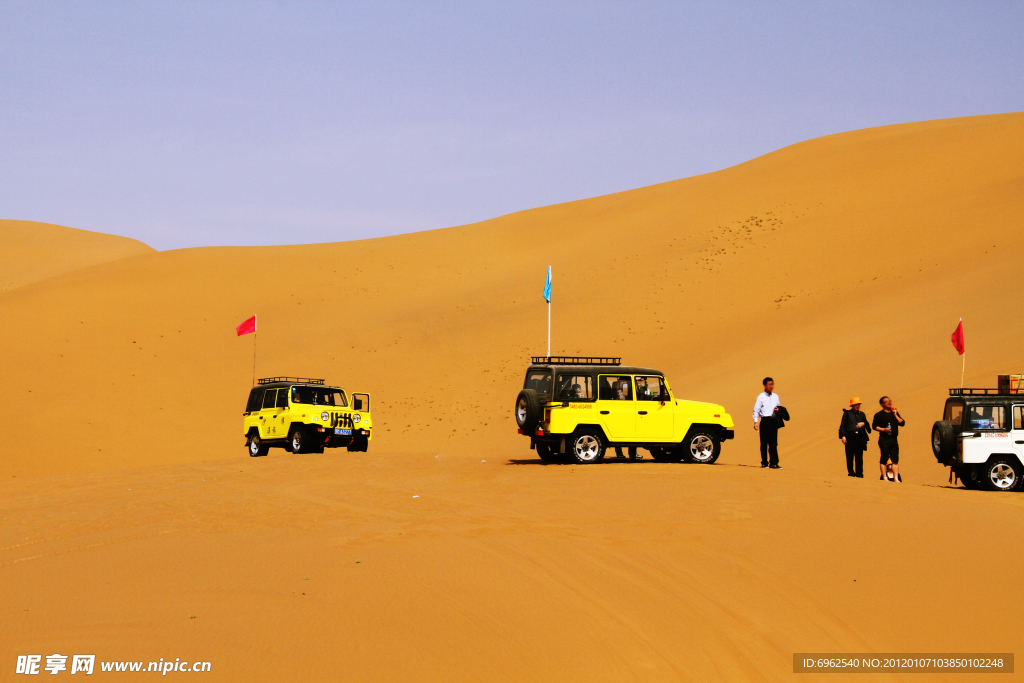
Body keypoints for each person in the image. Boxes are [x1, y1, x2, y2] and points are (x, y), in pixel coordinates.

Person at [872, 396, 905, 482]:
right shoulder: (879, 415)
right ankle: (884, 477)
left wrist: (895, 415)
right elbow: (874, 427)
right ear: (882, 404)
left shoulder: (894, 413)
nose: (889, 402)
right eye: (887, 401)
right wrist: (884, 429)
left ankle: (896, 478)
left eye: (890, 401)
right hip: (884, 439)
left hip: (894, 439)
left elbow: (902, 423)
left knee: (895, 459)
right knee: (884, 458)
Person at [753, 377, 782, 469]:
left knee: (773, 443)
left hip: (773, 421)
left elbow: (779, 407)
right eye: (769, 384)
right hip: (765, 421)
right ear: (764, 385)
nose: (771, 386)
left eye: (772, 384)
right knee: (764, 443)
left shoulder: (775, 396)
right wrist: (756, 422)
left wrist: (778, 410)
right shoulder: (761, 397)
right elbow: (756, 410)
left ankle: (774, 463)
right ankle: (764, 463)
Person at [838, 397, 871, 477]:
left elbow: (868, 427)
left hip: (860, 437)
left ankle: (859, 474)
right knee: (849, 456)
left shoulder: (862, 414)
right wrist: (843, 436)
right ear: (852, 405)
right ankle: (851, 473)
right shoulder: (847, 413)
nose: (858, 406)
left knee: (859, 456)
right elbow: (842, 425)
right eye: (856, 404)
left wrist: (863, 423)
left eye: (859, 404)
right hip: (850, 437)